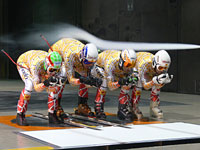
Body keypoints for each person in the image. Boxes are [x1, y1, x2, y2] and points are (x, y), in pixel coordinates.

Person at [49, 38, 101, 118]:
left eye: (91, 63)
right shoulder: (70, 56)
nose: (89, 65)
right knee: (62, 76)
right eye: (87, 62)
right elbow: (71, 80)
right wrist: (82, 80)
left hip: (77, 58)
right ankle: (56, 106)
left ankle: (82, 105)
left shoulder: (89, 57)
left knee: (86, 76)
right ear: (82, 56)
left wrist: (92, 81)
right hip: (59, 54)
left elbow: (89, 74)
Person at [16, 50, 63, 126]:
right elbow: (36, 88)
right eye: (51, 70)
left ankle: (52, 113)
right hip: (24, 62)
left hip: (38, 61)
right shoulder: (36, 65)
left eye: (56, 70)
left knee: (55, 85)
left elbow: (55, 86)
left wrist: (54, 83)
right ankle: (20, 114)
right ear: (46, 65)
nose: (54, 72)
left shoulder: (57, 66)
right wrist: (45, 83)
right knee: (29, 85)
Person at [91, 49, 138, 120]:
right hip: (99, 67)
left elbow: (135, 76)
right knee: (104, 81)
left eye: (132, 65)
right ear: (121, 61)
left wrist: (133, 79)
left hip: (116, 71)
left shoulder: (129, 65)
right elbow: (111, 86)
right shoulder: (110, 63)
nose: (129, 68)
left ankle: (122, 108)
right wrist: (120, 82)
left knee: (128, 80)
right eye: (127, 65)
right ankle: (99, 107)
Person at [131, 50, 173, 119]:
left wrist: (161, 83)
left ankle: (154, 107)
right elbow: (145, 86)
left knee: (158, 82)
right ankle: (134, 107)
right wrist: (153, 81)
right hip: (137, 66)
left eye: (165, 68)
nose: (162, 70)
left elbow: (157, 84)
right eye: (160, 68)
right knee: (138, 84)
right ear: (154, 63)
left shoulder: (161, 65)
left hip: (150, 70)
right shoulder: (144, 64)